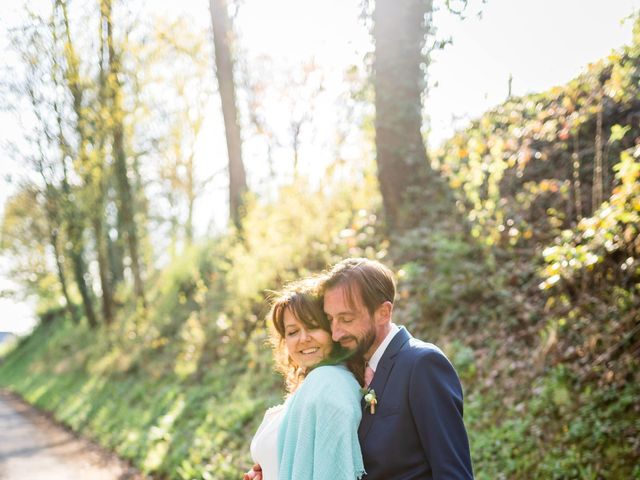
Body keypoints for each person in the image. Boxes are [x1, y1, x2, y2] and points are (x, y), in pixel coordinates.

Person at [321, 257, 474, 480]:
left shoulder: (422, 364)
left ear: (384, 312)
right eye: (331, 319)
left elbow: (453, 473)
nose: (336, 333)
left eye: (346, 319)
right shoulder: (351, 370)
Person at [245, 279, 366, 480]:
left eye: (312, 326)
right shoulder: (311, 386)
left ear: (332, 330)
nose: (303, 339)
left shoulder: (328, 383)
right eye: (292, 332)